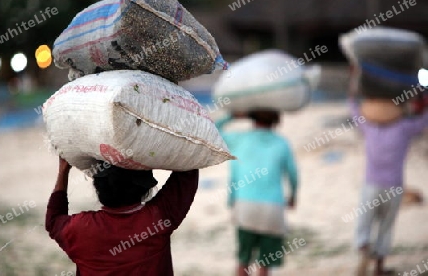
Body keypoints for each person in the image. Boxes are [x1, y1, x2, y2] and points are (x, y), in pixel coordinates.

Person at [46, 157, 198, 276]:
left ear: (98, 186)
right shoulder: (159, 219)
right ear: (143, 187)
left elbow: (53, 221)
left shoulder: (81, 229)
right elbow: (189, 170)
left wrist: (63, 170)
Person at [349, 79, 428, 276]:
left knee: (364, 224)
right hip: (394, 187)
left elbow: (353, 108)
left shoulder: (368, 127)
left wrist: (353, 89)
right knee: (386, 227)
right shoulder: (404, 128)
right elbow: (424, 121)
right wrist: (424, 99)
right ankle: (379, 268)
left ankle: (364, 249)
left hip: (371, 185)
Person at [216, 110, 298, 276]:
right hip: (273, 208)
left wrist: (233, 116)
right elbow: (293, 175)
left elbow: (213, 129)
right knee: (265, 263)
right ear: (276, 120)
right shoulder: (282, 143)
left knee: (243, 260)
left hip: (245, 205)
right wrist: (293, 197)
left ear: (252, 118)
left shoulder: (239, 139)